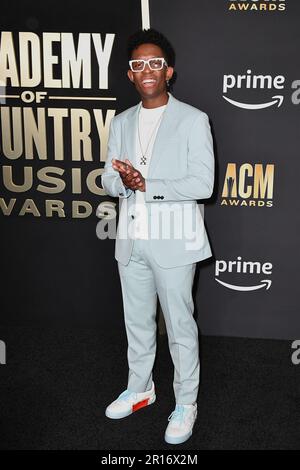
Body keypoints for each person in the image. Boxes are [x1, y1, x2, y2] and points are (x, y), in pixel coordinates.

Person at [101, 28, 214, 445]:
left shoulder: (193, 119)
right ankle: (141, 388)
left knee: (181, 326)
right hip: (131, 240)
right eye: (137, 64)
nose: (145, 70)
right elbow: (108, 177)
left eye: (154, 63)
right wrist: (125, 182)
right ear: (130, 75)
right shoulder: (122, 121)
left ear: (168, 71)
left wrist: (149, 183)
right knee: (137, 322)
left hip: (175, 241)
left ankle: (186, 402)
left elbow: (203, 183)